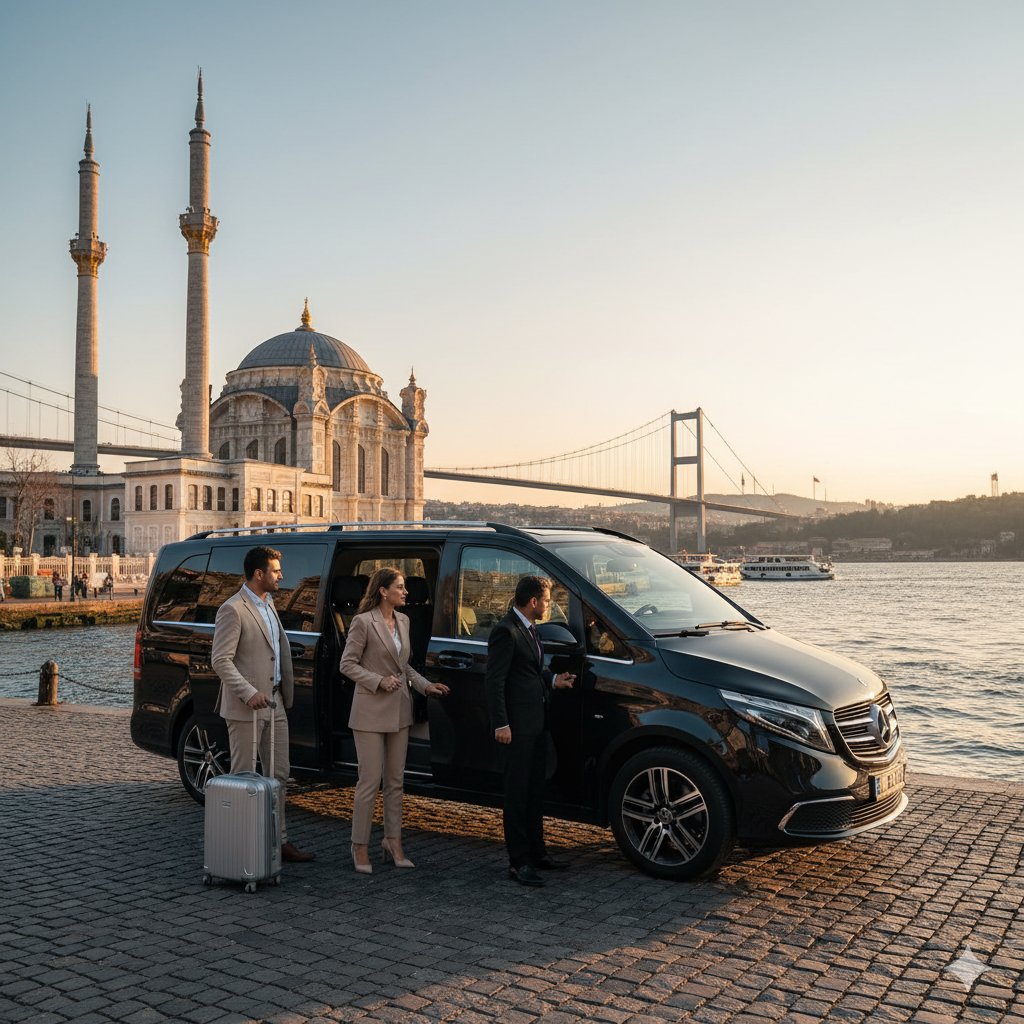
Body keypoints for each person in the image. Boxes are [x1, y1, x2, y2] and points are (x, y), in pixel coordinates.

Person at [340, 567, 449, 874]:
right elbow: (346, 664)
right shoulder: (363, 622)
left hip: (400, 709)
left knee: (395, 782)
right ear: (383, 591)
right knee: (369, 781)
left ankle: (393, 841)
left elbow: (405, 668)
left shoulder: (404, 620)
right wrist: (378, 681)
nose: (406, 592)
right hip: (370, 711)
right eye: (400, 587)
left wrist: (427, 686)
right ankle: (359, 846)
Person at [211, 545, 314, 864]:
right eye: (276, 571)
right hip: (246, 707)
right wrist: (248, 692)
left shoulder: (269, 604)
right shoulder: (233, 609)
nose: (282, 576)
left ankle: (278, 840)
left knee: (279, 776)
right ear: (259, 574)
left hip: (276, 702)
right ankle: (243, 848)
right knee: (243, 778)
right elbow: (220, 660)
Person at [486, 575, 575, 887]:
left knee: (535, 790)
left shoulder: (529, 628)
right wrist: (501, 724)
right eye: (547, 601)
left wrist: (553, 680)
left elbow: (531, 671)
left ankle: (538, 853)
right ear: (534, 602)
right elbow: (494, 682)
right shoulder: (505, 632)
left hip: (536, 724)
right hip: (516, 728)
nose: (549, 606)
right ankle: (518, 861)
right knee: (517, 795)